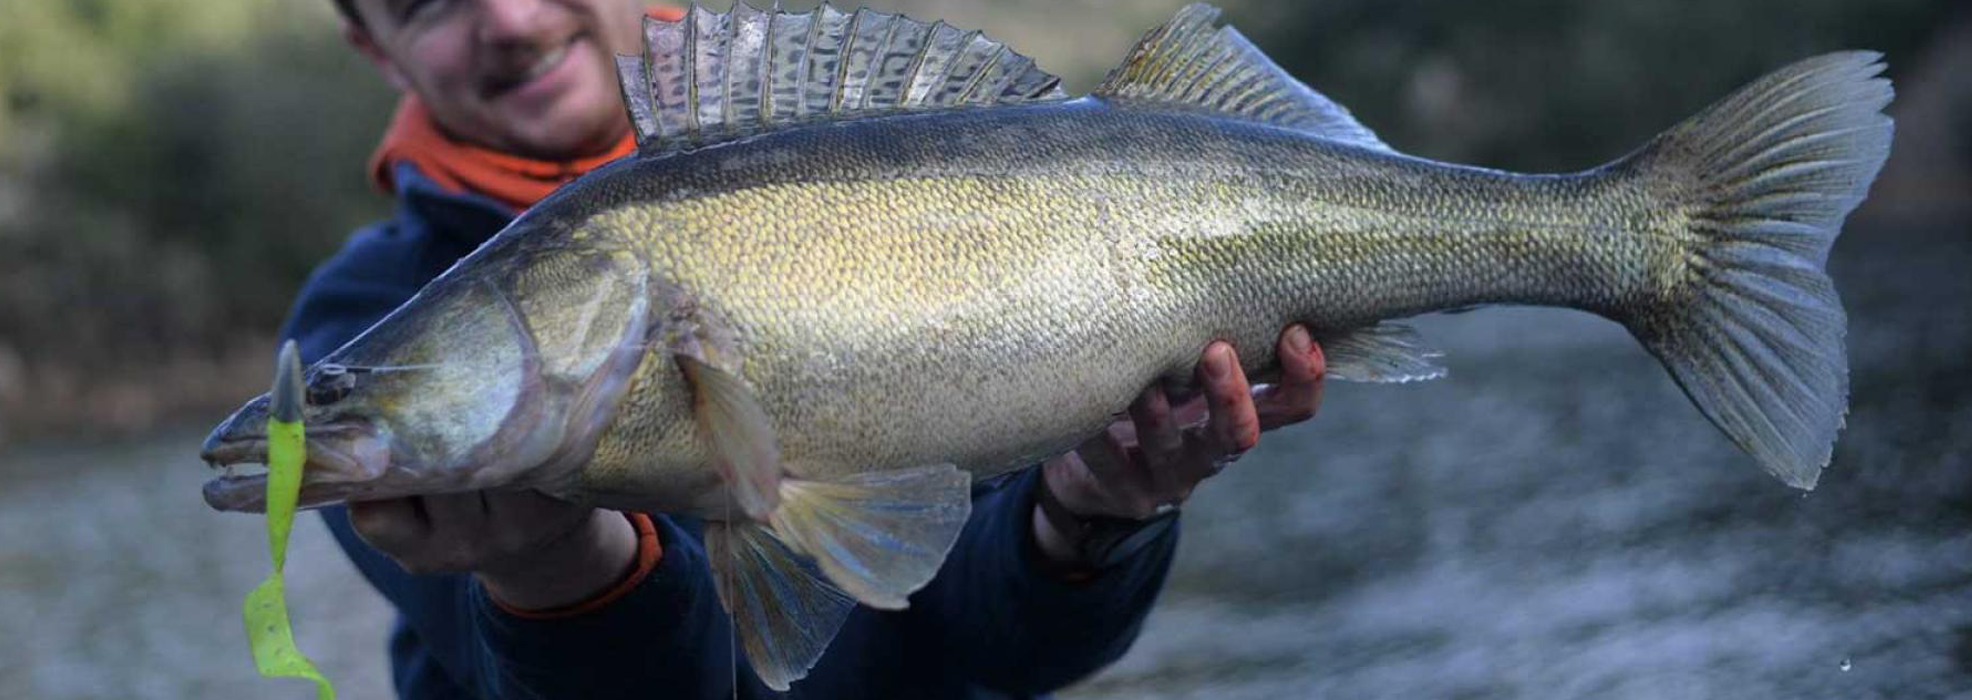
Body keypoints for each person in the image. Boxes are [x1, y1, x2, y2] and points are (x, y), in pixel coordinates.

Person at [285, 0, 1329, 697]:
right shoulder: (355, 320)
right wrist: (549, 566)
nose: (509, 19)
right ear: (374, 46)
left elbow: (1004, 648)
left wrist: (1090, 513)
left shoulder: (836, 145)